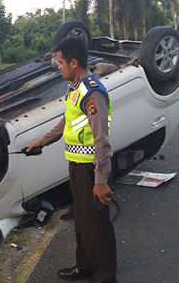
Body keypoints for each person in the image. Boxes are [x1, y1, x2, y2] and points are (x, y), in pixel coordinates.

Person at [27, 36, 117, 283]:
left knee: (96, 226)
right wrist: (43, 141)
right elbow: (68, 120)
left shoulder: (92, 92)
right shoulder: (75, 87)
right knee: (83, 221)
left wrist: (100, 179)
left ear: (74, 62)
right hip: (77, 167)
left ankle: (106, 277)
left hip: (90, 169)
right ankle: (86, 268)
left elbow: (101, 139)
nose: (59, 67)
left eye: (61, 62)